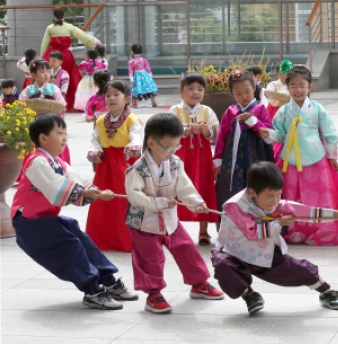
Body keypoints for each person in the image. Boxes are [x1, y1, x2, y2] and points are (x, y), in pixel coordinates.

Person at [11, 114, 138, 310]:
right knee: (71, 246)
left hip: (44, 219)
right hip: (27, 223)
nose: (64, 138)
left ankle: (108, 279)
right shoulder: (36, 162)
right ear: (43, 139)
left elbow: (76, 180)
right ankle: (92, 290)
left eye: (65, 133)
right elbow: (56, 187)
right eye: (59, 133)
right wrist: (86, 191)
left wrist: (96, 191)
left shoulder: (59, 163)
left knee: (78, 234)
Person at [211, 162, 338, 315]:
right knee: (222, 265)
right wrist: (279, 222)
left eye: (278, 194)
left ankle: (326, 291)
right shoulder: (235, 205)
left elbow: (304, 211)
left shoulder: (275, 203)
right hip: (234, 253)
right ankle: (249, 295)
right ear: (252, 192)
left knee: (298, 269)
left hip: (264, 252)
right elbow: (251, 232)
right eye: (269, 196)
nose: (274, 201)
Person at [125, 113, 224, 314]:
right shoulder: (137, 169)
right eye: (169, 146)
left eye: (176, 146)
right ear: (151, 142)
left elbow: (184, 187)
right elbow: (134, 196)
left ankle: (199, 284)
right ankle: (153, 294)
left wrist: (197, 203)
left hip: (170, 219)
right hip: (143, 222)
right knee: (150, 257)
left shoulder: (175, 163)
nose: (173, 151)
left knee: (186, 248)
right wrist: (158, 202)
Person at [260, 65, 338, 245]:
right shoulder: (284, 111)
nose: (298, 90)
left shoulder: (317, 109)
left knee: (319, 195)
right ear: (287, 87)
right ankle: (294, 231)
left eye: (302, 85)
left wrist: (331, 156)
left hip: (315, 157)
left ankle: (319, 229)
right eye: (293, 86)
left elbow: (329, 134)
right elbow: (279, 134)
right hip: (290, 158)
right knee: (291, 195)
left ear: (310, 87)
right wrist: (268, 134)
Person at [86, 80, 143, 252]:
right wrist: (94, 151)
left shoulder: (132, 119)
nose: (111, 98)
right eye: (108, 95)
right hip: (105, 165)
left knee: (124, 200)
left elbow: (137, 136)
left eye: (116, 94)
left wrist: (134, 147)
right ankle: (101, 239)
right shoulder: (100, 120)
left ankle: (127, 240)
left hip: (124, 163)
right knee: (102, 200)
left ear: (126, 99)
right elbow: (95, 139)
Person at [168, 72, 219, 245]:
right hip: (179, 158)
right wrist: (189, 130)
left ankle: (203, 231)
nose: (195, 92)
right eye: (190, 88)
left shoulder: (207, 110)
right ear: (182, 91)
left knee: (202, 189)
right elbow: (169, 129)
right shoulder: (175, 110)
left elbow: (215, 130)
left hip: (202, 159)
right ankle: (173, 228)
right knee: (175, 190)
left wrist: (208, 131)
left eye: (199, 89)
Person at [213, 69, 274, 214]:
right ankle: (232, 224)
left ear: (254, 87)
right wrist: (218, 162)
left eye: (247, 91)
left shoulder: (260, 109)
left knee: (258, 187)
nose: (244, 96)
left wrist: (253, 121)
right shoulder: (230, 112)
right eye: (238, 94)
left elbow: (269, 134)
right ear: (232, 94)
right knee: (232, 189)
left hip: (257, 157)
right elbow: (222, 137)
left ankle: (259, 223)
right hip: (232, 161)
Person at [41, 7, 103, 112]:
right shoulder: (69, 27)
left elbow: (44, 45)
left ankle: (51, 101)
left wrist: (43, 56)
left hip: (52, 56)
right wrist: (97, 42)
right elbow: (83, 36)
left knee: (52, 79)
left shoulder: (50, 28)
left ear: (53, 16)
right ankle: (72, 103)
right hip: (66, 57)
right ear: (64, 15)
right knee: (68, 78)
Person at [19, 59, 70, 172]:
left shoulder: (54, 89)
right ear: (33, 75)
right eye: (42, 72)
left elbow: (62, 105)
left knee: (53, 144)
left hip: (51, 124)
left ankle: (57, 168)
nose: (47, 74)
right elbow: (21, 106)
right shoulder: (28, 90)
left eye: (48, 71)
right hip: (34, 124)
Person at [128, 43, 158, 108]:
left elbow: (131, 71)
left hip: (137, 75)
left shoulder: (131, 61)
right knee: (149, 87)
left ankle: (135, 103)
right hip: (144, 74)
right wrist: (150, 76)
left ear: (132, 51)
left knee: (135, 89)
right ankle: (153, 98)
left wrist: (131, 79)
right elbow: (148, 68)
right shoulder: (144, 59)